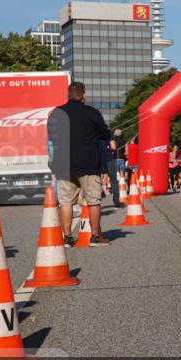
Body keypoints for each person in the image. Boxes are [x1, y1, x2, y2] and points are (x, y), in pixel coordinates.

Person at [46, 81, 113, 247]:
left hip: (64, 165)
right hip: (88, 163)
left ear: (68, 95)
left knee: (66, 202)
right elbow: (105, 134)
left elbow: (51, 137)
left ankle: (67, 238)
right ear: (83, 95)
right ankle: (95, 236)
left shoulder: (56, 113)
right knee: (93, 201)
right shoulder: (91, 112)